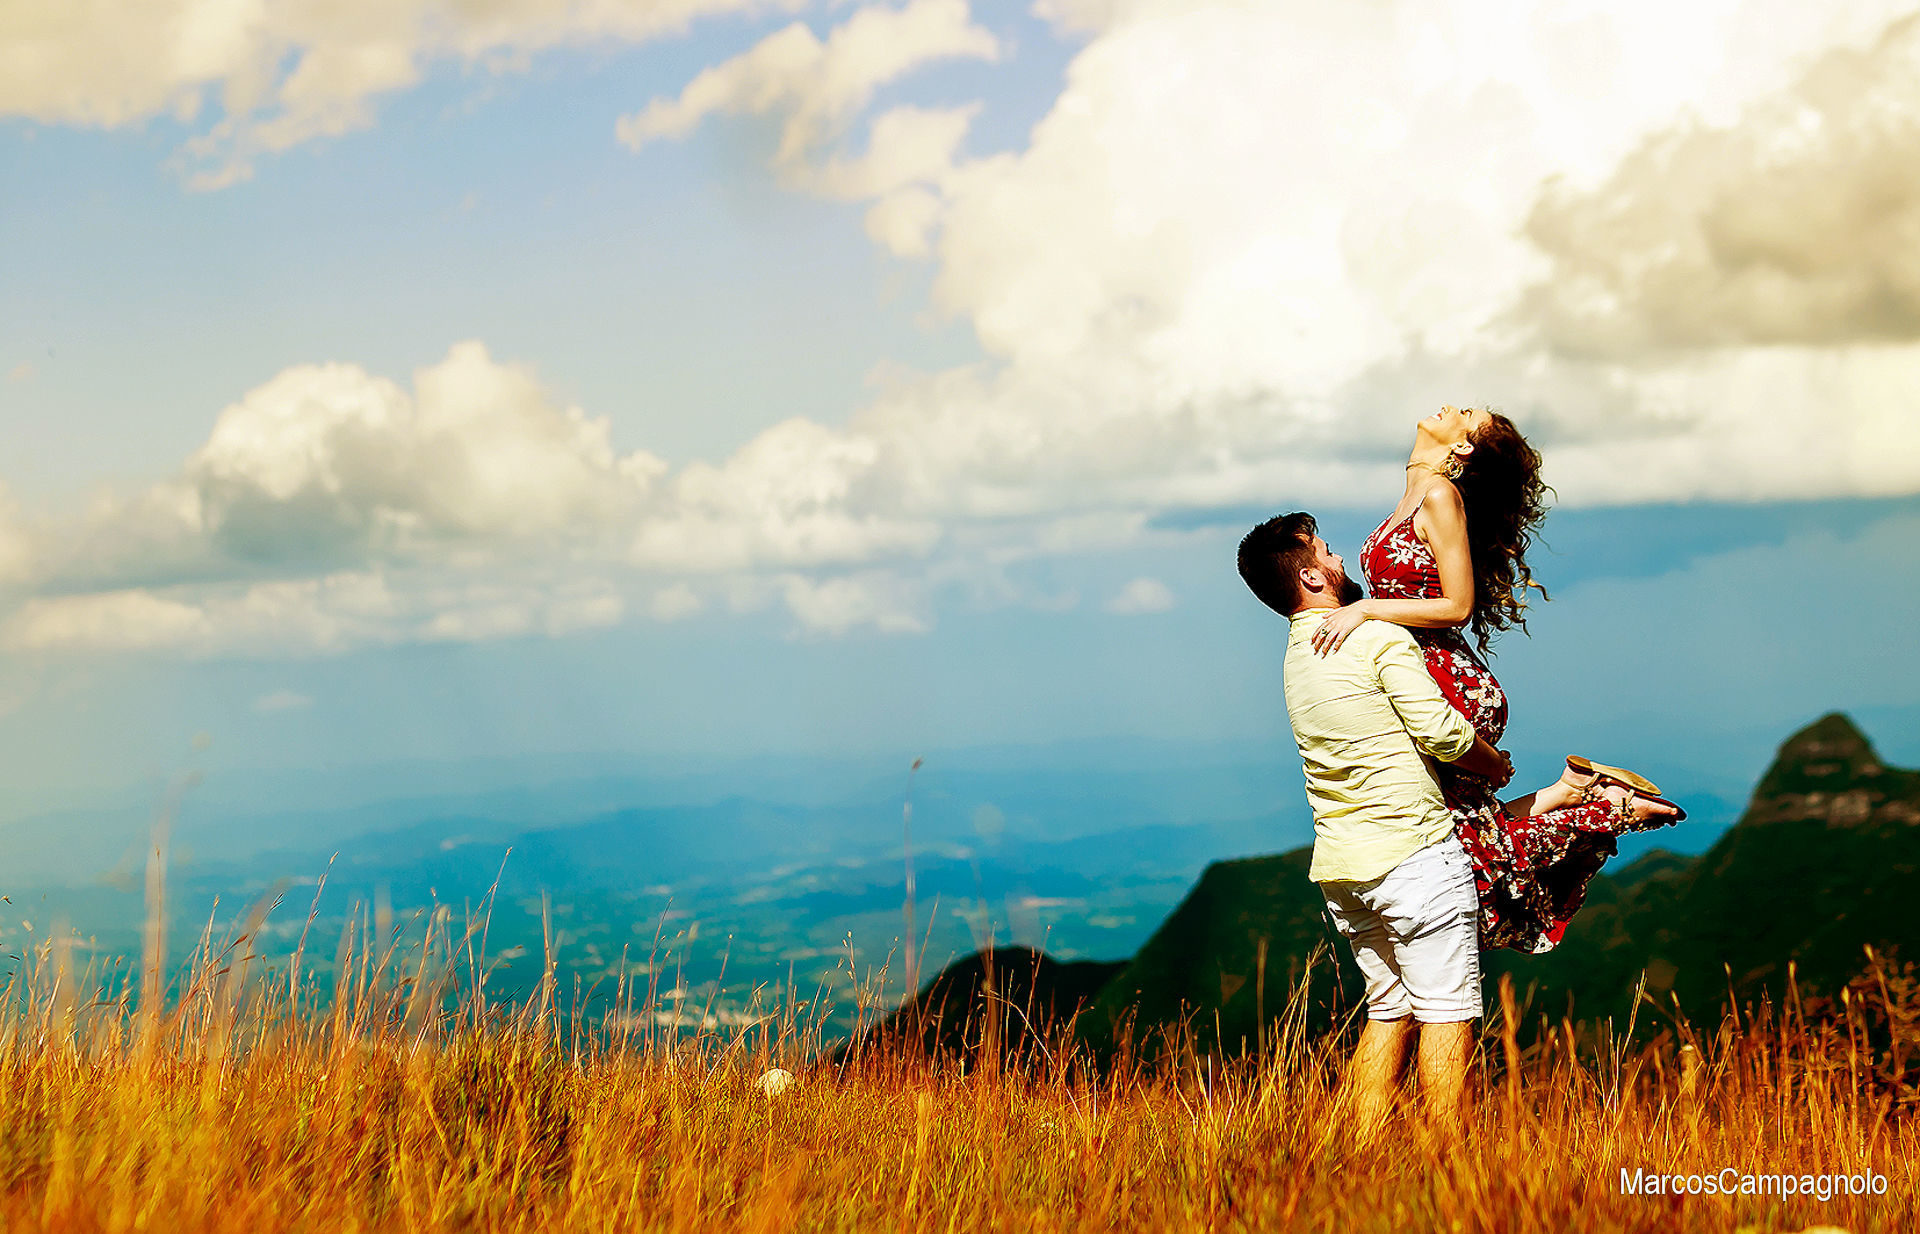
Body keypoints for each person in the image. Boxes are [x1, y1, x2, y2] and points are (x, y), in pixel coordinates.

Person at [1306, 405, 1683, 953]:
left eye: (1467, 416)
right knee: (1461, 834)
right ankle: (1572, 792)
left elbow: (1457, 605)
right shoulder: (1415, 493)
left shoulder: (1439, 497)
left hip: (1446, 683)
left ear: (1461, 450)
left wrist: (1365, 612)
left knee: (1461, 849)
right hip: (1425, 674)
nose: (1451, 408)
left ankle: (1613, 811)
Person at [1237, 511, 1514, 1139]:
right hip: (1414, 857)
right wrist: (1494, 764)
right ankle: (1451, 1162)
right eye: (1330, 552)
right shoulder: (1375, 639)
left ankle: (1362, 1154)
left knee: (1389, 1012)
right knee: (1448, 1013)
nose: (1345, 563)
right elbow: (1443, 735)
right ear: (1311, 575)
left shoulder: (1297, 657)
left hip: (1343, 868)